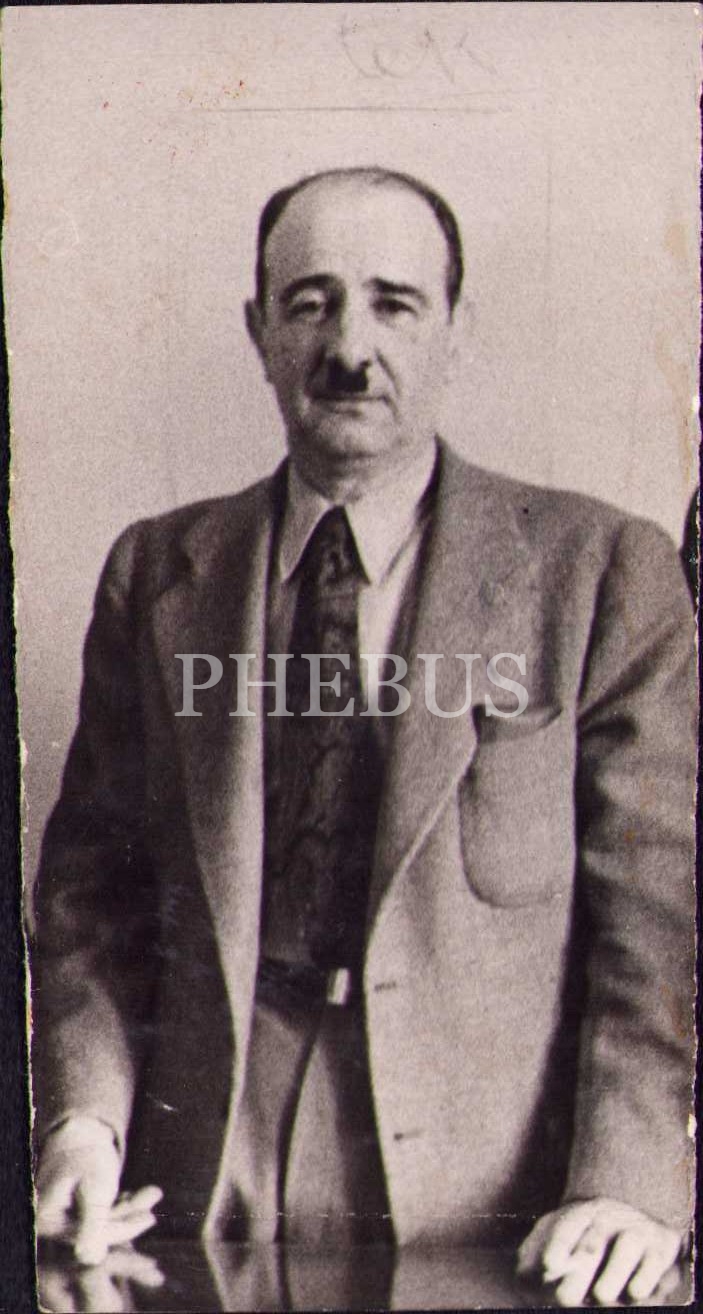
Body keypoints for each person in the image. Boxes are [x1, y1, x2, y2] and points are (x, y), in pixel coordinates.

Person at [32, 167, 695, 1307]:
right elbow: (92, 895)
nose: (349, 349)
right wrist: (83, 1123)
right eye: (310, 303)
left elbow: (658, 916)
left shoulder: (599, 574)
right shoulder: (156, 575)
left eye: (394, 303)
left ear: (455, 330)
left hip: (494, 1197)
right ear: (258, 331)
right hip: (202, 1179)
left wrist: (629, 1182)